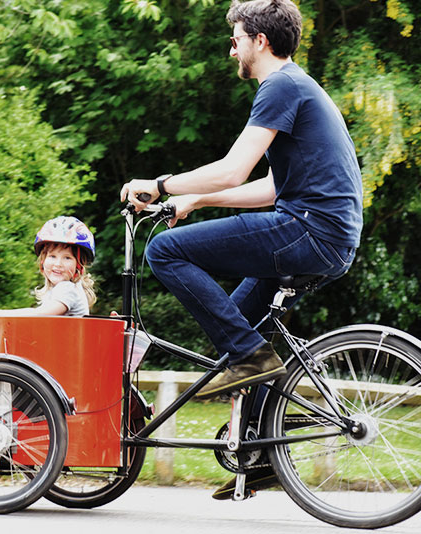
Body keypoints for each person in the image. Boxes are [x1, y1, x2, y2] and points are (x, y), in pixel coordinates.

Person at [119, 0, 362, 498]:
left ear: (261, 42)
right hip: (322, 232)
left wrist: (161, 184)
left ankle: (251, 358)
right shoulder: (297, 88)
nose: (232, 47)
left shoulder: (280, 85)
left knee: (164, 253)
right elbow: (272, 187)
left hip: (309, 230)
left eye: (236, 37)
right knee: (240, 324)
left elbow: (235, 169)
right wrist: (196, 200)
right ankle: (261, 453)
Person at [0, 216, 96, 326]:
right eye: (52, 256)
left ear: (79, 266)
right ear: (43, 260)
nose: (58, 264)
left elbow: (40, 315)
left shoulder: (67, 288)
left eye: (67, 258)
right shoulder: (58, 290)